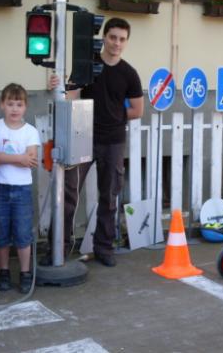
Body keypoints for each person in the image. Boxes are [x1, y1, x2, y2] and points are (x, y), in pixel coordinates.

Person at [48, 17, 144, 267]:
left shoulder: (129, 73)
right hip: (83, 138)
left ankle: (103, 247)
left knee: (109, 196)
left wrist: (114, 116)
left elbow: (138, 110)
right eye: (112, 37)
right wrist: (58, 87)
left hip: (113, 142)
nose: (117, 43)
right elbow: (70, 96)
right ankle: (59, 247)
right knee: (68, 192)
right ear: (104, 38)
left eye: (122, 39)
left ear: (126, 42)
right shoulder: (87, 66)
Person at [0, 83, 40, 294]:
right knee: (0, 234)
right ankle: (4, 271)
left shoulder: (30, 131)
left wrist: (4, 158)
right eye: (10, 104)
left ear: (25, 107)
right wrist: (19, 158)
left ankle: (25, 272)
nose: (14, 109)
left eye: (19, 104)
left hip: (22, 190)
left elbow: (32, 160)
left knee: (23, 234)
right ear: (2, 105)